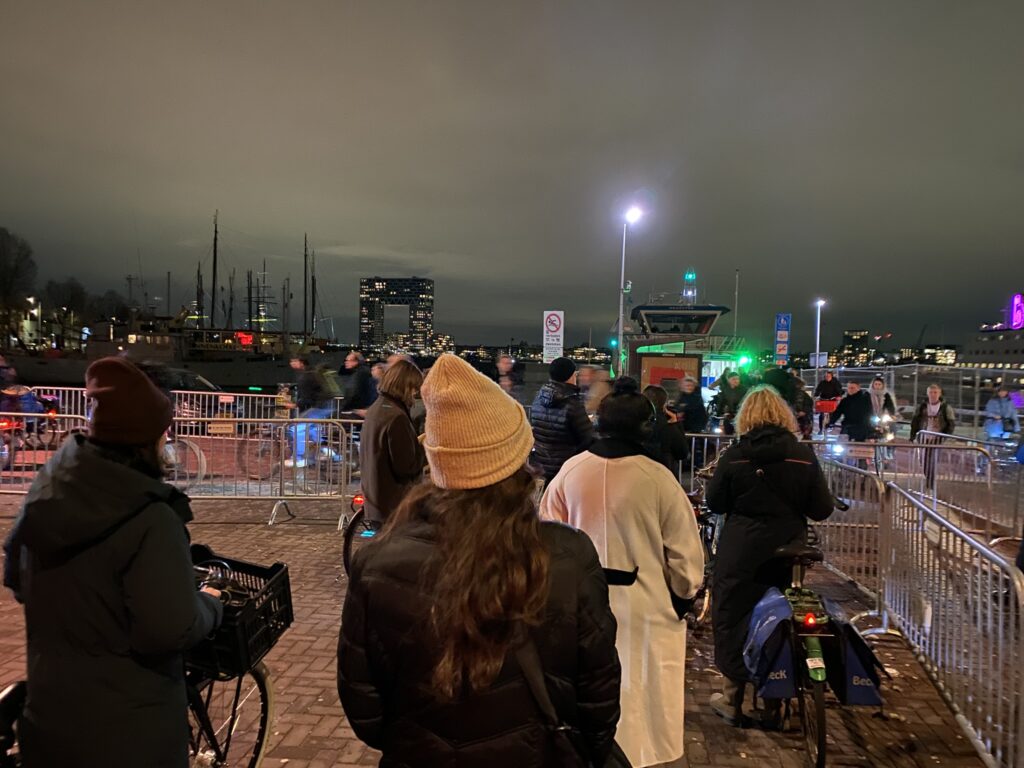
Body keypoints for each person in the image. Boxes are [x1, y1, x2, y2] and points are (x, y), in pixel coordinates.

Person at [338, 354, 622, 767]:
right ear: (516, 462)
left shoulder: (376, 563)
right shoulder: (569, 557)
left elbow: (365, 710)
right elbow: (598, 699)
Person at [2, 357, 224, 767]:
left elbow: (16, 578)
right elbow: (169, 629)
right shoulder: (152, 517)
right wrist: (210, 604)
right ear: (148, 439)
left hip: (50, 720)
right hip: (130, 733)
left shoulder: (48, 492)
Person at [541, 377, 704, 767]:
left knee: (585, 697)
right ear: (646, 428)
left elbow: (546, 536)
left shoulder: (570, 471)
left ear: (599, 422)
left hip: (578, 607)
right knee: (641, 706)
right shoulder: (659, 480)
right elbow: (685, 557)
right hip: (646, 607)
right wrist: (682, 599)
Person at [704, 385, 833, 727]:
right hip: (787, 549)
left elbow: (715, 502)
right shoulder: (802, 455)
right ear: (783, 415)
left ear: (744, 416)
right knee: (782, 618)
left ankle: (732, 699)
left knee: (733, 615)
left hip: (742, 548)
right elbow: (821, 509)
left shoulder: (736, 455)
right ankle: (776, 702)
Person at [359, 360, 426, 525]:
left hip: (376, 499)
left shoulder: (377, 408)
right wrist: (424, 448)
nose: (415, 393)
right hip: (394, 503)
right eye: (414, 388)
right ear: (405, 386)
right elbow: (406, 467)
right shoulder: (397, 417)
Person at [530, 357, 595, 483]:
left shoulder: (538, 398)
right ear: (570, 376)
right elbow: (587, 437)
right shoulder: (572, 403)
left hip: (542, 465)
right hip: (566, 467)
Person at [287, 355, 336, 468]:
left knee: (296, 429)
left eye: (294, 361)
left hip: (320, 406)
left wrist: (294, 405)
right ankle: (329, 452)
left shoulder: (306, 376)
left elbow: (307, 397)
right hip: (326, 405)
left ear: (302, 363)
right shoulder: (311, 373)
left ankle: (299, 459)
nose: (291, 364)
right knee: (312, 429)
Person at [910, 384, 956, 485]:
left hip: (937, 438)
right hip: (923, 437)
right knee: (923, 460)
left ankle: (931, 482)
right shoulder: (922, 407)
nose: (933, 395)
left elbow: (951, 423)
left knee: (933, 460)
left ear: (939, 394)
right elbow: (915, 422)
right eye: (931, 392)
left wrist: (945, 436)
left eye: (935, 392)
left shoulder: (945, 408)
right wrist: (912, 436)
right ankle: (928, 478)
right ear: (928, 394)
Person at [642, 384, 690, 472]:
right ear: (664, 404)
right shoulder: (668, 427)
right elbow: (682, 453)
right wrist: (677, 424)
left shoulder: (638, 424)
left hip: (641, 472)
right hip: (665, 473)